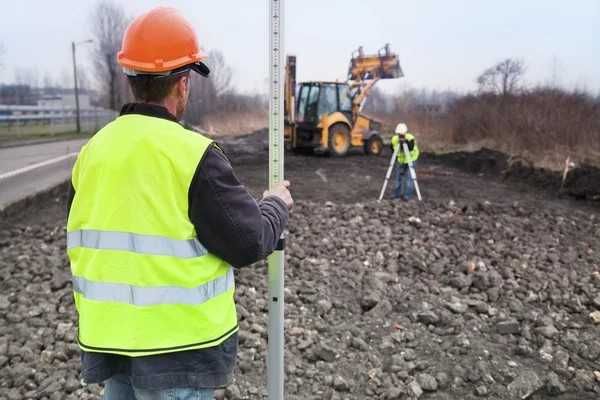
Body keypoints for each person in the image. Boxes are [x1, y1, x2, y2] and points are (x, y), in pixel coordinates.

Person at [66, 7, 293, 400]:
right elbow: (248, 240)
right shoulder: (192, 155)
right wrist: (276, 205)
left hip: (112, 345)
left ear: (131, 78)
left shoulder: (93, 152)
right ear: (183, 84)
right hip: (176, 354)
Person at [391, 123, 420, 200]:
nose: (401, 136)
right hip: (401, 159)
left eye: (402, 135)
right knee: (398, 178)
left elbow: (410, 148)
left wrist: (405, 143)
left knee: (409, 178)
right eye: (399, 134)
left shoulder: (410, 138)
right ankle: (397, 194)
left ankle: (407, 195)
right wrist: (399, 145)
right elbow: (392, 149)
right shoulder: (394, 139)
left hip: (411, 159)